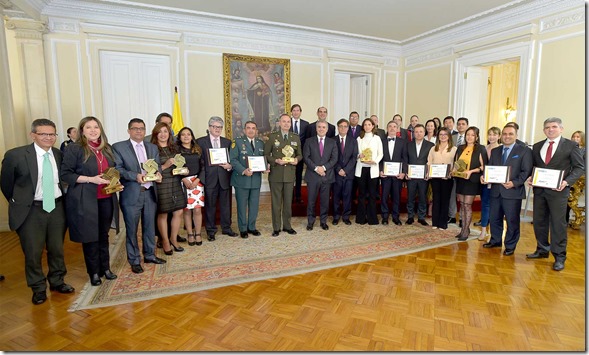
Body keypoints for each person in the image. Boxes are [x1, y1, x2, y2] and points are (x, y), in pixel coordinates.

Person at [1, 118, 74, 305]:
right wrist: (20, 202)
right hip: (31, 211)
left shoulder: (58, 154)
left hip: (57, 207)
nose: (48, 137)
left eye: (52, 134)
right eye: (43, 134)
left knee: (57, 248)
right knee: (33, 252)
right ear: (33, 135)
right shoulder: (15, 155)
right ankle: (38, 288)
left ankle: (57, 281)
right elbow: (6, 185)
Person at [61, 116, 119, 286]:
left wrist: (117, 183)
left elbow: (112, 171)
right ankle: (93, 272)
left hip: (107, 197)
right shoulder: (75, 149)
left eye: (96, 127)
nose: (93, 130)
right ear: (82, 131)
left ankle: (105, 269)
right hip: (86, 198)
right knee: (90, 236)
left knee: (103, 234)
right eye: (88, 127)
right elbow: (66, 174)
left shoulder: (106, 148)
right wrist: (90, 179)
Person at [526, 117, 584, 271]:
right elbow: (535, 166)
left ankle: (559, 257)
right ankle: (542, 249)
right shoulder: (537, 146)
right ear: (544, 130)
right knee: (539, 221)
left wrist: (566, 182)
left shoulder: (571, 146)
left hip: (559, 192)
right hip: (540, 191)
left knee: (558, 224)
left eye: (554, 126)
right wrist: (531, 177)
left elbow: (579, 168)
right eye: (547, 127)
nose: (550, 129)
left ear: (561, 129)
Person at [113, 118, 166, 274]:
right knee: (132, 229)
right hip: (132, 194)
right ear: (129, 130)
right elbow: (118, 169)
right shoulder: (119, 147)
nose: (138, 131)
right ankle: (134, 260)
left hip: (150, 192)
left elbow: (157, 167)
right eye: (135, 128)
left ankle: (149, 255)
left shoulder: (152, 147)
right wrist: (134, 175)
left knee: (149, 227)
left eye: (142, 128)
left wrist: (158, 174)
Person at [482, 125, 533, 255]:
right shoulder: (496, 151)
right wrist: (485, 177)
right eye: (504, 134)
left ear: (516, 135)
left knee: (511, 220)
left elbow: (526, 171)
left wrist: (514, 183)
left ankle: (510, 245)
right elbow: (491, 168)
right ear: (501, 136)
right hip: (495, 191)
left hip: (512, 192)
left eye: (510, 134)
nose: (507, 136)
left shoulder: (524, 151)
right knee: (494, 218)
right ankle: (495, 240)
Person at [196, 116, 237, 241]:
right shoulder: (200, 142)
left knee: (225, 205)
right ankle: (211, 230)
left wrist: (230, 166)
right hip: (209, 179)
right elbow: (199, 161)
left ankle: (226, 228)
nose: (217, 129)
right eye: (214, 126)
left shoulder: (227, 142)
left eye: (219, 127)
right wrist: (201, 178)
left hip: (224, 178)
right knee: (210, 206)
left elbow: (232, 159)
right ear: (209, 128)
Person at [151, 122, 187, 254]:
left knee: (178, 212)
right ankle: (165, 241)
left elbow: (180, 164)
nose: (163, 134)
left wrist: (184, 170)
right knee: (163, 214)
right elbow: (150, 171)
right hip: (162, 184)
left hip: (175, 182)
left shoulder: (174, 148)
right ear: (155, 134)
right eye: (160, 132)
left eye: (165, 131)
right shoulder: (152, 149)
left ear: (169, 133)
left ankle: (173, 239)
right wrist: (165, 166)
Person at [264, 113, 302, 236]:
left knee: (287, 203)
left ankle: (287, 226)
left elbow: (300, 154)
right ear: (279, 123)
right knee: (276, 203)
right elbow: (266, 155)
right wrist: (275, 160)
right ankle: (276, 227)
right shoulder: (272, 137)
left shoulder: (295, 137)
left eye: (288, 122)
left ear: (291, 124)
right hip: (276, 174)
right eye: (284, 121)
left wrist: (297, 159)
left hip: (290, 175)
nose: (286, 124)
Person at [230, 121, 266, 238]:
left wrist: (265, 167)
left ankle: (252, 227)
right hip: (242, 179)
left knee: (254, 205)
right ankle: (243, 228)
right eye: (248, 128)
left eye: (253, 128)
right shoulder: (237, 142)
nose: (251, 130)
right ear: (244, 130)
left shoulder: (260, 143)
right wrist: (244, 170)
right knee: (241, 205)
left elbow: (262, 159)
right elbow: (233, 160)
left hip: (255, 180)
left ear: (256, 131)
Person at [453, 126, 487, 241]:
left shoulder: (480, 149)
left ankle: (466, 230)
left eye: (472, 135)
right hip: (461, 179)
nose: (470, 137)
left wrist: (471, 171)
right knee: (462, 204)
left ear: (476, 137)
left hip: (472, 181)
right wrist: (454, 170)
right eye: (468, 134)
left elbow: (483, 166)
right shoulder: (460, 148)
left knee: (467, 205)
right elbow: (456, 163)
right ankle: (463, 229)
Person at [304, 120, 338, 231]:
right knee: (311, 201)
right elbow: (306, 157)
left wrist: (323, 168)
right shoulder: (309, 141)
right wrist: (316, 168)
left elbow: (334, 159)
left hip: (326, 176)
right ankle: (310, 221)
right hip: (312, 176)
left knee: (325, 201)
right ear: (316, 128)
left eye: (324, 127)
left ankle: (323, 221)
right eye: (319, 127)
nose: (321, 129)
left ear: (327, 129)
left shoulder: (332, 142)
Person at [177, 127, 204, 246]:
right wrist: (183, 179)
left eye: (188, 134)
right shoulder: (176, 150)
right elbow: (175, 168)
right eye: (183, 135)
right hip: (183, 182)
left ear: (192, 136)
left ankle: (198, 233)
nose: (186, 136)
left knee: (197, 209)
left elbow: (204, 167)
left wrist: (197, 180)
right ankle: (190, 234)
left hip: (197, 182)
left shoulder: (198, 149)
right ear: (179, 137)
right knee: (187, 210)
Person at [355, 118, 383, 225]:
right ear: (363, 126)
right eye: (365, 124)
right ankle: (361, 218)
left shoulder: (377, 139)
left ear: (373, 126)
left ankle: (372, 218)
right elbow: (355, 153)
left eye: (369, 124)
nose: (367, 126)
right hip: (361, 169)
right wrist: (359, 155)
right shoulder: (359, 139)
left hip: (373, 169)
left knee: (372, 195)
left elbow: (381, 154)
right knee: (361, 195)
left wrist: (374, 161)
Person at [427, 128, 456, 230]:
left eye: (445, 134)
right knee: (436, 200)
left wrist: (452, 172)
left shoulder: (454, 149)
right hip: (435, 178)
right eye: (441, 134)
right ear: (438, 136)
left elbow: (456, 164)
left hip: (447, 179)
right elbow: (429, 162)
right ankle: (435, 222)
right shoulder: (433, 148)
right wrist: (428, 173)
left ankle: (443, 223)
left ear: (449, 136)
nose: (443, 136)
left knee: (445, 200)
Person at [475, 127, 501, 241]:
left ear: (499, 136)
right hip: (484, 181)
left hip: (497, 183)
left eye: (494, 134)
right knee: (485, 205)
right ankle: (484, 231)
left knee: (496, 207)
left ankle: (496, 233)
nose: (492, 137)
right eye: (489, 134)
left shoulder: (501, 149)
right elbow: (482, 165)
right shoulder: (484, 148)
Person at [380, 120, 407, 226]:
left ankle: (396, 217)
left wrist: (403, 172)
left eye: (394, 126)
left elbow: (405, 158)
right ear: (387, 129)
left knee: (396, 197)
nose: (392, 128)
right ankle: (385, 217)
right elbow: (379, 158)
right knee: (384, 197)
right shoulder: (381, 141)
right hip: (385, 174)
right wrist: (380, 170)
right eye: (390, 126)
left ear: (397, 129)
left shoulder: (403, 142)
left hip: (397, 175)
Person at [405, 124, 434, 226]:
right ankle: (410, 216)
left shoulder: (430, 145)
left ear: (424, 132)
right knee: (410, 197)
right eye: (416, 132)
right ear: (413, 133)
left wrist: (428, 173)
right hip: (411, 176)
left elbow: (431, 161)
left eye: (420, 131)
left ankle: (421, 217)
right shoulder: (408, 144)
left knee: (422, 197)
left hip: (423, 176)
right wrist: (406, 172)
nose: (418, 133)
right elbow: (405, 160)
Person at [332, 118, 358, 226]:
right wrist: (339, 169)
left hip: (349, 173)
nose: (343, 128)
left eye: (345, 126)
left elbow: (354, 157)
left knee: (348, 196)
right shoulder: (332, 140)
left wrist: (346, 170)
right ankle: (336, 216)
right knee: (336, 196)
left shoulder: (353, 141)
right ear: (338, 127)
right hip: (336, 173)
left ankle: (346, 216)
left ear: (348, 128)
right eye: (341, 126)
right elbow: (331, 157)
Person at [448, 116, 468, 225]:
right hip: (452, 169)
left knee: (462, 195)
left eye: (463, 124)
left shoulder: (470, 137)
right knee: (452, 194)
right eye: (459, 124)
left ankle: (461, 217)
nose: (460, 126)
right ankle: (452, 216)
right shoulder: (452, 137)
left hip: (465, 171)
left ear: (467, 126)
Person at [289, 104, 309, 204]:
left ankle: (298, 195)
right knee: (290, 177)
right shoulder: (287, 123)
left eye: (298, 110)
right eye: (294, 110)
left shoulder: (306, 124)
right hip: (288, 155)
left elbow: (307, 140)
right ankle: (290, 197)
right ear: (291, 112)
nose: (296, 112)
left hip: (300, 155)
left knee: (298, 176)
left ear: (300, 112)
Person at [566, 130, 585, 224]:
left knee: (571, 201)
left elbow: (583, 166)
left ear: (582, 139)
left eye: (578, 137)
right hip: (567, 177)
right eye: (573, 136)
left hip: (578, 180)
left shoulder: (585, 150)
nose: (575, 138)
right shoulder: (568, 148)